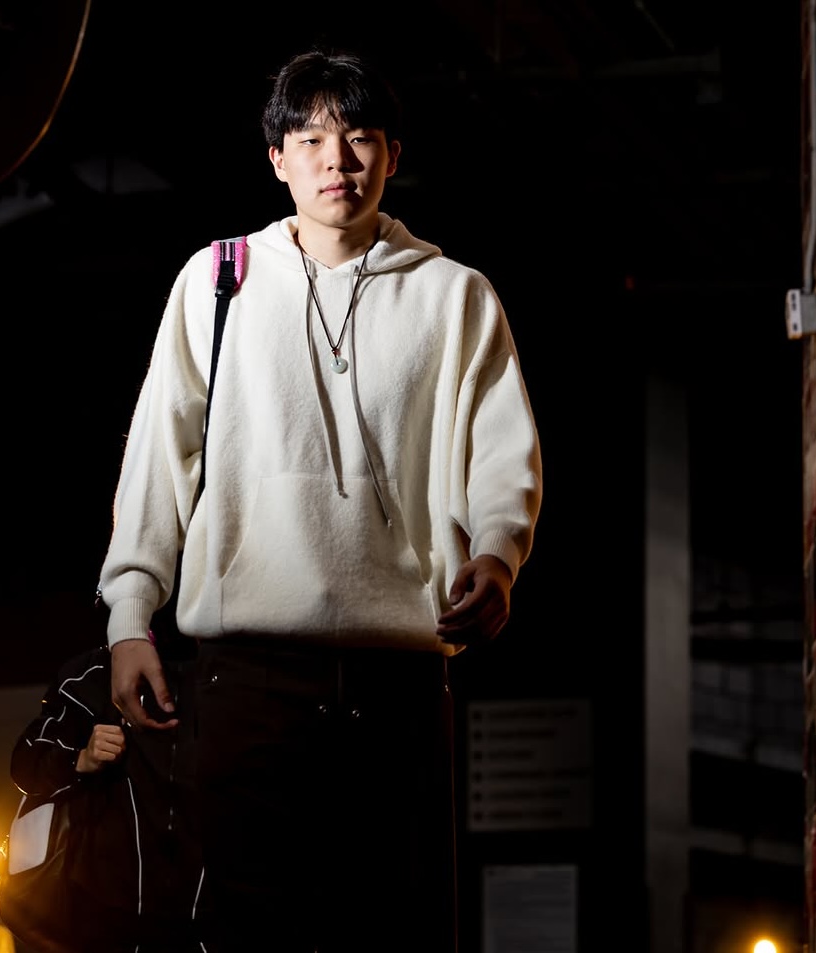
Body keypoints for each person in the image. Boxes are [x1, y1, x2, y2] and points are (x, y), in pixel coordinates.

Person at [96, 47, 543, 953]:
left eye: (360, 139)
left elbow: (503, 451)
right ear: (278, 159)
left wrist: (497, 555)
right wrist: (129, 616)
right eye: (312, 139)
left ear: (392, 154)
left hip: (398, 683)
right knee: (240, 934)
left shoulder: (455, 296)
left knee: (396, 931)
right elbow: (158, 457)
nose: (338, 160)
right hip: (242, 676)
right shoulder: (217, 282)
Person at [8, 641, 205, 953]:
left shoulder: (231, 672)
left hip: (208, 922)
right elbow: (26, 765)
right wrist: (82, 759)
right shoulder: (94, 673)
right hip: (104, 920)